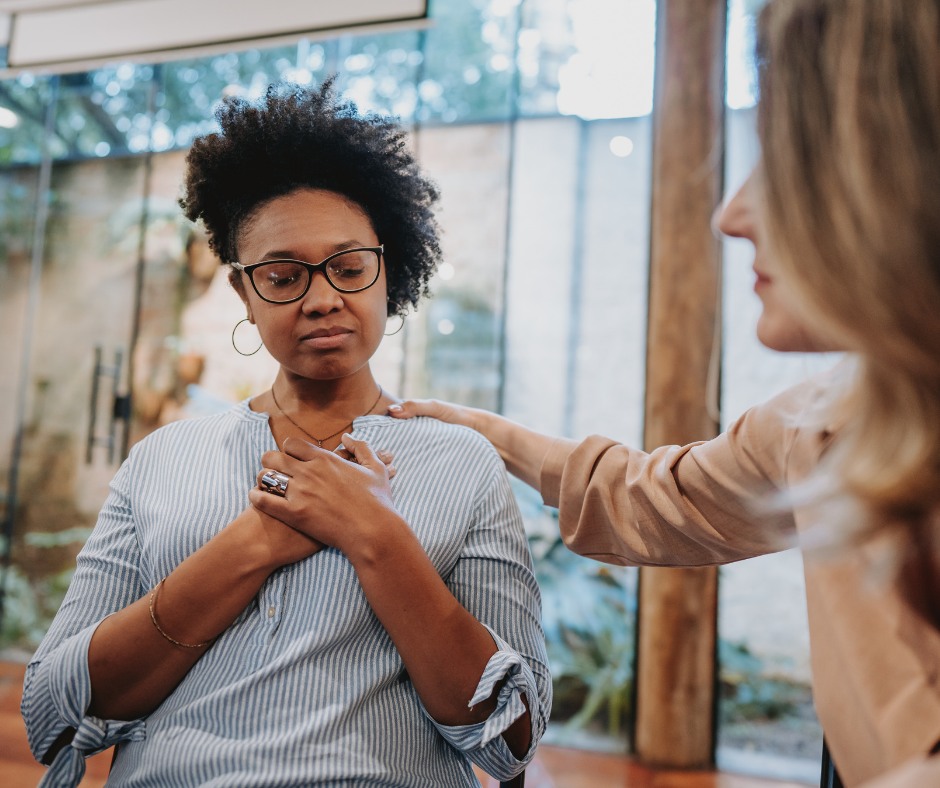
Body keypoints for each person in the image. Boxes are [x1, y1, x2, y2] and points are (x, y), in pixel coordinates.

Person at [389, 1, 940, 785]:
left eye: (787, 159)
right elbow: (647, 496)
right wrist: (479, 431)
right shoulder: (818, 422)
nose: (729, 214)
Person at [21, 80, 550, 787]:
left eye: (349, 267)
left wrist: (376, 536)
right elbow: (51, 710)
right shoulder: (161, 459)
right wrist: (254, 543)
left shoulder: (462, 463)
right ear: (243, 292)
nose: (323, 298)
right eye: (283, 275)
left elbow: (511, 734)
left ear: (387, 271)